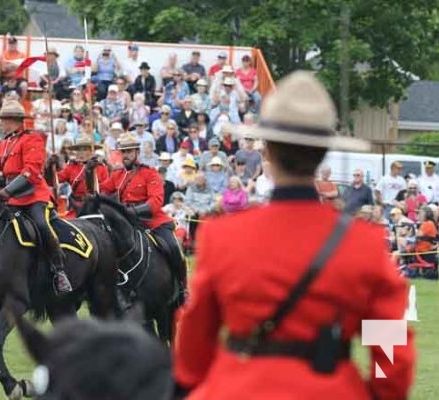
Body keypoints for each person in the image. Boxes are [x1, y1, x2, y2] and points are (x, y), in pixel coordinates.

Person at [174, 71, 415, 400]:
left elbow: (195, 339)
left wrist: (195, 382)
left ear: (268, 149)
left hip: (239, 389)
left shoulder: (222, 236)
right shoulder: (364, 243)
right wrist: (382, 392)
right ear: (322, 152)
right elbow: (388, 343)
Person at [0, 100, 72, 294]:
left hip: (33, 195)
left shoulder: (33, 139)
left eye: (3, 120)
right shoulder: (5, 143)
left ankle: (59, 271)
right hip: (11, 197)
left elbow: (31, 171)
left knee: (41, 225)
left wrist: (7, 191)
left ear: (13, 121)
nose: (0, 124)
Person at [91, 133, 187, 302]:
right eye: (123, 152)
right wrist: (89, 172)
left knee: (173, 247)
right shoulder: (117, 175)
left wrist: (134, 212)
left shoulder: (150, 173)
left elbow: (156, 201)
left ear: (137, 152)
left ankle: (182, 289)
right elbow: (99, 193)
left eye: (129, 151)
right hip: (125, 223)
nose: (125, 155)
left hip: (152, 221)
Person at [56, 134, 109, 214]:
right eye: (79, 150)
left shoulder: (101, 167)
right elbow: (55, 179)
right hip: (76, 206)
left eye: (84, 149)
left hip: (95, 206)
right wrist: (52, 167)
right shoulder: (71, 166)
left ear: (91, 151)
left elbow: (106, 190)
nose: (81, 153)